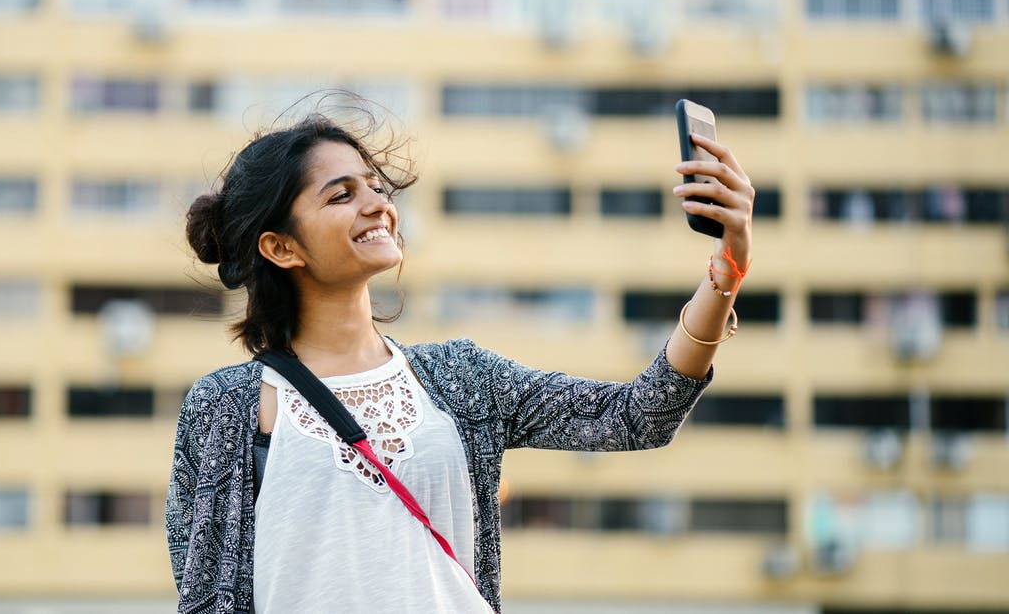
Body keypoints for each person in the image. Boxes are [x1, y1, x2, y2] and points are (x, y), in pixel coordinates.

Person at [166, 101, 755, 614]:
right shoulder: (224, 407)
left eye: (375, 186)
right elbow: (201, 594)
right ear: (281, 247)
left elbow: (634, 417)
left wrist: (726, 272)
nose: (376, 203)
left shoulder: (463, 378)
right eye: (341, 195)